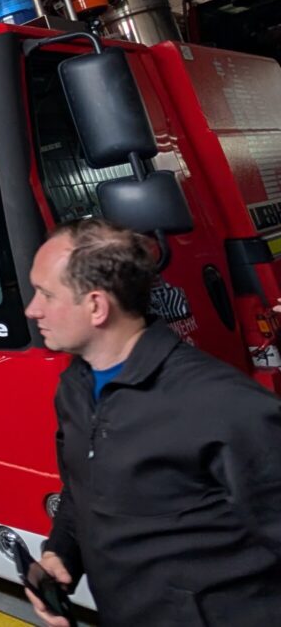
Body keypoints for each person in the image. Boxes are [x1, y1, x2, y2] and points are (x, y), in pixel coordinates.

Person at [24, 218, 281, 626]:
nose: (32, 309)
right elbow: (81, 489)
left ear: (96, 306)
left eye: (46, 294)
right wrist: (61, 553)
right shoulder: (74, 388)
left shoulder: (225, 405)